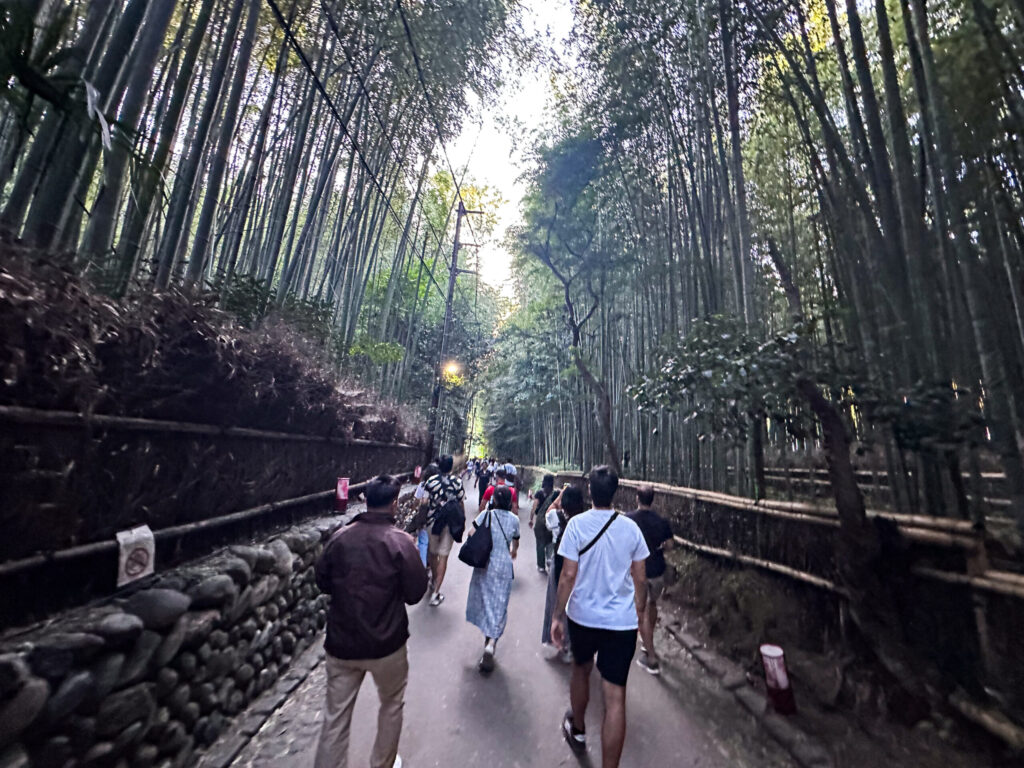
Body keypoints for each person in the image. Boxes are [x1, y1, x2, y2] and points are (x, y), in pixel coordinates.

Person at [314, 475, 428, 768]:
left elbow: (322, 580)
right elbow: (416, 593)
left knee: (335, 717)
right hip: (387, 645)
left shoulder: (340, 538)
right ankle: (382, 764)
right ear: (394, 503)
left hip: (342, 643)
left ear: (365, 500)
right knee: (391, 704)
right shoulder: (401, 543)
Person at [551, 466, 649, 768]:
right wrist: (639, 611)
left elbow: (568, 575)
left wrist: (557, 616)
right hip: (621, 622)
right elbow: (640, 578)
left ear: (590, 491)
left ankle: (578, 729)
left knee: (581, 670)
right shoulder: (631, 528)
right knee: (615, 697)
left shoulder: (576, 525)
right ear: (615, 492)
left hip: (583, 617)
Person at [465, 485, 520, 672]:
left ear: (494, 500)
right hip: (503, 565)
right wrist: (513, 552)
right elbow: (516, 542)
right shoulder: (514, 520)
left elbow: (470, 533)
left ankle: (488, 640)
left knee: (486, 601)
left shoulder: (486, 515)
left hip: (485, 564)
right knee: (499, 604)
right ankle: (491, 642)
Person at [627, 485, 674, 675]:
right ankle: (648, 640)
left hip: (640, 571)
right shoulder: (661, 521)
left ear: (637, 498)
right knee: (652, 605)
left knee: (641, 611)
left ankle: (651, 658)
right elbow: (670, 545)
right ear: (652, 499)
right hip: (658, 570)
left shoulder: (629, 519)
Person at [541, 484, 584, 660]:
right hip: (580, 566)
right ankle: (573, 645)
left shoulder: (556, 517)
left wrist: (559, 497)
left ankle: (560, 641)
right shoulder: (584, 521)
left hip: (560, 564)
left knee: (557, 602)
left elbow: (547, 513)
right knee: (576, 605)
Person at [424, 454, 466, 607]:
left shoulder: (430, 481)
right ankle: (436, 593)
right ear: (451, 466)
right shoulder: (457, 482)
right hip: (450, 523)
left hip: (433, 522)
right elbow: (461, 503)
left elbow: (424, 502)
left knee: (432, 553)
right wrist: (462, 521)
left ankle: (434, 580)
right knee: (443, 557)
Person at [412, 464, 439, 568]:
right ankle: (430, 563)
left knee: (423, 542)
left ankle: (422, 566)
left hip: (424, 517)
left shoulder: (422, 485)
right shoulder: (439, 485)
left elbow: (416, 501)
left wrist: (415, 509)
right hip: (436, 518)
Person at [529, 474, 557, 573]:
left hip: (540, 522)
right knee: (550, 542)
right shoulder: (555, 494)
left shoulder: (539, 493)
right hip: (551, 520)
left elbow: (534, 507)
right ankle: (549, 559)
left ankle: (541, 566)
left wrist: (531, 519)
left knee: (540, 543)